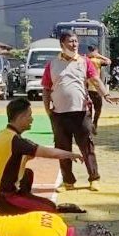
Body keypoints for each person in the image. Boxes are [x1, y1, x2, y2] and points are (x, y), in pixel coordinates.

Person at [0, 98, 84, 215]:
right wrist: (70, 154)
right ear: (21, 117)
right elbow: (49, 153)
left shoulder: (3, 133)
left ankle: (23, 201)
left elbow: (12, 158)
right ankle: (11, 209)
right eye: (29, 115)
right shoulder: (17, 142)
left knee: (27, 174)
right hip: (2, 199)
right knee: (49, 208)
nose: (32, 119)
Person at [43, 31, 102, 192]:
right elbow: (46, 89)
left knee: (87, 147)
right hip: (59, 114)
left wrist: (106, 94)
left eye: (76, 41)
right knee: (63, 149)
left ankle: (94, 178)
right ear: (62, 44)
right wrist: (47, 108)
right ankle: (68, 181)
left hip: (81, 113)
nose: (74, 44)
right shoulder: (52, 64)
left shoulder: (84, 62)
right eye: (71, 41)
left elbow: (95, 80)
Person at [84, 45, 111, 134]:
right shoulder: (98, 61)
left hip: (87, 88)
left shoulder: (85, 60)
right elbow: (109, 61)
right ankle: (94, 124)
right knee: (98, 108)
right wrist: (99, 55)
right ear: (96, 50)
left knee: (89, 109)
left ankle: (89, 125)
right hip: (96, 88)